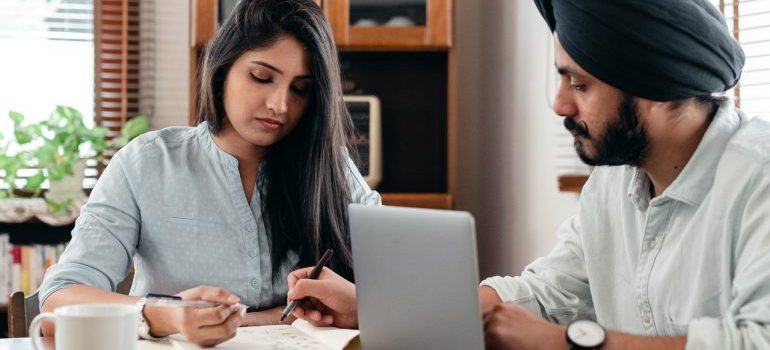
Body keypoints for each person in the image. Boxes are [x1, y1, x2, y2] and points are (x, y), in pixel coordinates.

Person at [287, 1, 770, 349]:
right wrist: (380, 309)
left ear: (659, 89)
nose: (559, 103)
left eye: (579, 83)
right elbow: (549, 292)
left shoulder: (758, 179)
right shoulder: (613, 182)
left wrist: (570, 344)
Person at [38, 0, 380, 346]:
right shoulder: (148, 163)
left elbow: (405, 289)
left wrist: (363, 305)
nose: (280, 104)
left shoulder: (333, 171)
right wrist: (163, 313)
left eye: (300, 89)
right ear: (223, 68)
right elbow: (58, 301)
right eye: (261, 77)